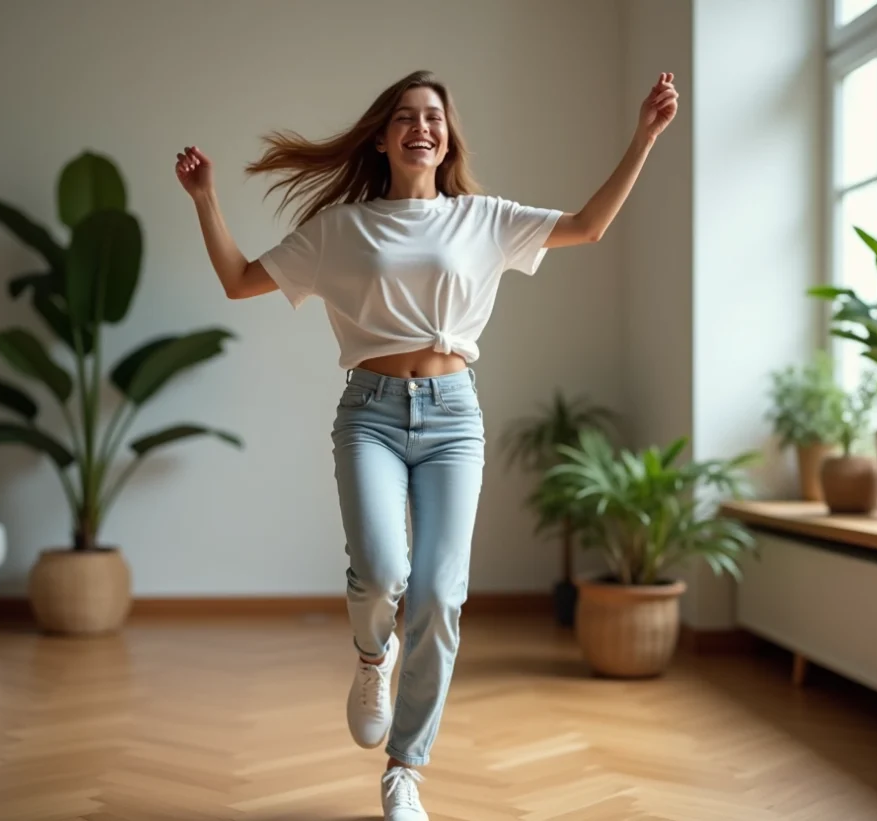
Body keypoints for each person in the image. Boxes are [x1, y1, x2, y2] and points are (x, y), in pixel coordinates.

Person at [175, 69, 677, 821]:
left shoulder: (484, 219)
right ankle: (372, 657)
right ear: (382, 137)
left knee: (440, 595)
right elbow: (240, 280)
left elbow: (588, 225)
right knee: (381, 573)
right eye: (406, 116)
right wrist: (206, 199)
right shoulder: (343, 228)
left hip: (452, 418)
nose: (423, 126)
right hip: (370, 414)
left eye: (434, 116)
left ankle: (404, 771)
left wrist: (642, 138)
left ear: (448, 136)